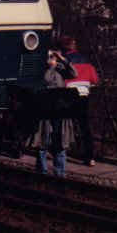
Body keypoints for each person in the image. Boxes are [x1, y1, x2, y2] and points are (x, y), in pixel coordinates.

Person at [29, 49, 77, 176]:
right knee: (43, 140)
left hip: (59, 109)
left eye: (53, 57)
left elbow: (74, 74)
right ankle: (42, 170)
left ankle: (60, 172)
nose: (52, 59)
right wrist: (51, 67)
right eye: (50, 57)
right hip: (45, 110)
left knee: (60, 140)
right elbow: (46, 80)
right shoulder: (41, 70)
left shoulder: (60, 69)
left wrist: (63, 59)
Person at [60, 35, 99, 166]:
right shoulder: (86, 60)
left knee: (64, 124)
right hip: (83, 94)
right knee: (85, 126)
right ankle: (90, 157)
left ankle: (62, 153)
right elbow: (95, 80)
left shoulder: (63, 60)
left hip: (68, 94)